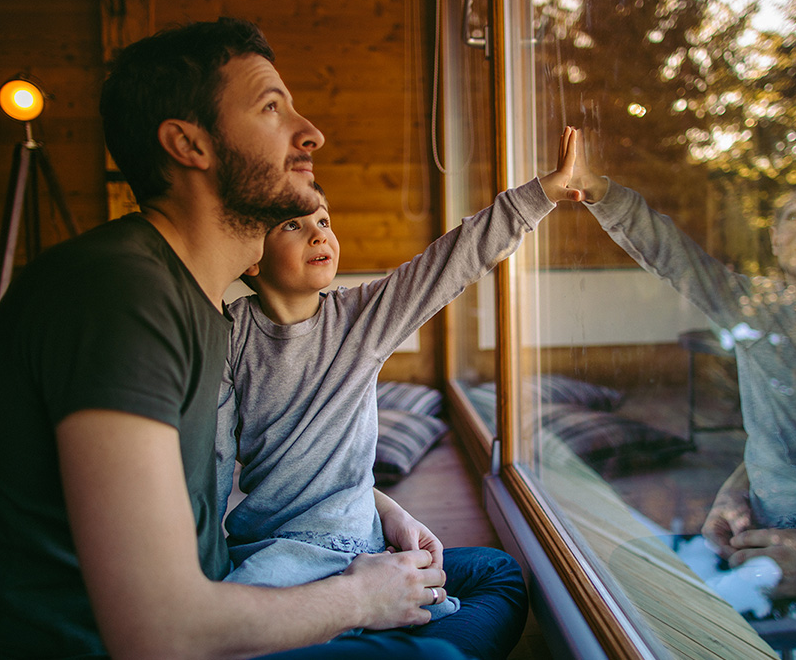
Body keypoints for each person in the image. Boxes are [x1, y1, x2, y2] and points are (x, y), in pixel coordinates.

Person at [0, 18, 468, 660]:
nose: (311, 134)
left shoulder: (196, 303)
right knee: (446, 644)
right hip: (138, 641)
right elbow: (159, 633)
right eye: (272, 108)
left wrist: (379, 509)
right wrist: (361, 599)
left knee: (483, 574)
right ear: (189, 146)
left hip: (213, 586)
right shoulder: (117, 298)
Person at [214, 126, 586, 658]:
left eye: (324, 219)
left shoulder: (361, 317)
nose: (320, 234)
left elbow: (451, 262)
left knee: (496, 571)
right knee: (232, 631)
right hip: (275, 556)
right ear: (253, 255)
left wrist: (542, 193)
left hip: (359, 547)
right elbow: (211, 465)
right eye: (294, 225)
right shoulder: (228, 336)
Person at [555, 129, 796, 605]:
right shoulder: (750, 303)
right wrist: (599, 192)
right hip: (755, 529)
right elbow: (672, 254)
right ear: (774, 239)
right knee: (621, 587)